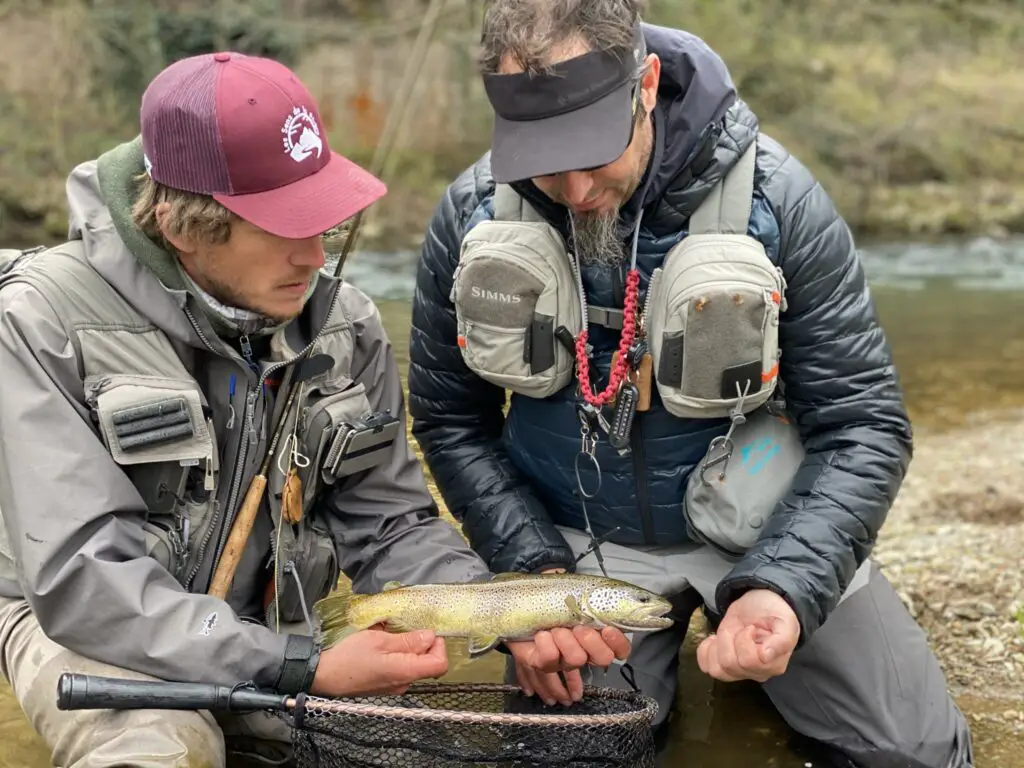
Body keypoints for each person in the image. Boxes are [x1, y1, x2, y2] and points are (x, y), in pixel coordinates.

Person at [0, 51, 624, 768]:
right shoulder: (39, 321)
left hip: (276, 623)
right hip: (94, 631)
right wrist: (301, 666)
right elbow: (85, 582)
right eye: (285, 226)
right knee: (161, 751)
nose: (314, 255)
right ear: (183, 227)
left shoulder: (343, 323)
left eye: (321, 219)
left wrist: (500, 611)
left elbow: (388, 524)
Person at [408, 2, 975, 766]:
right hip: (576, 549)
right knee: (571, 756)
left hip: (763, 528)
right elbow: (450, 421)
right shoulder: (471, 214)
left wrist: (787, 583)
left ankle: (753, 623)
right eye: (543, 157)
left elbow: (864, 423)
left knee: (913, 754)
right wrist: (532, 580)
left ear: (645, 85)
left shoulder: (781, 201)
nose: (574, 190)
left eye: (591, 150)